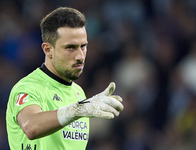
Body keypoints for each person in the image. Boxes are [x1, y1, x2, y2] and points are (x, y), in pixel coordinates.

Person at [6, 7, 124, 150]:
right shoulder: (28, 87)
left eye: (83, 46)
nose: (80, 56)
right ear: (48, 50)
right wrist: (79, 109)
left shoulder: (78, 93)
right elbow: (31, 126)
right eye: (70, 48)